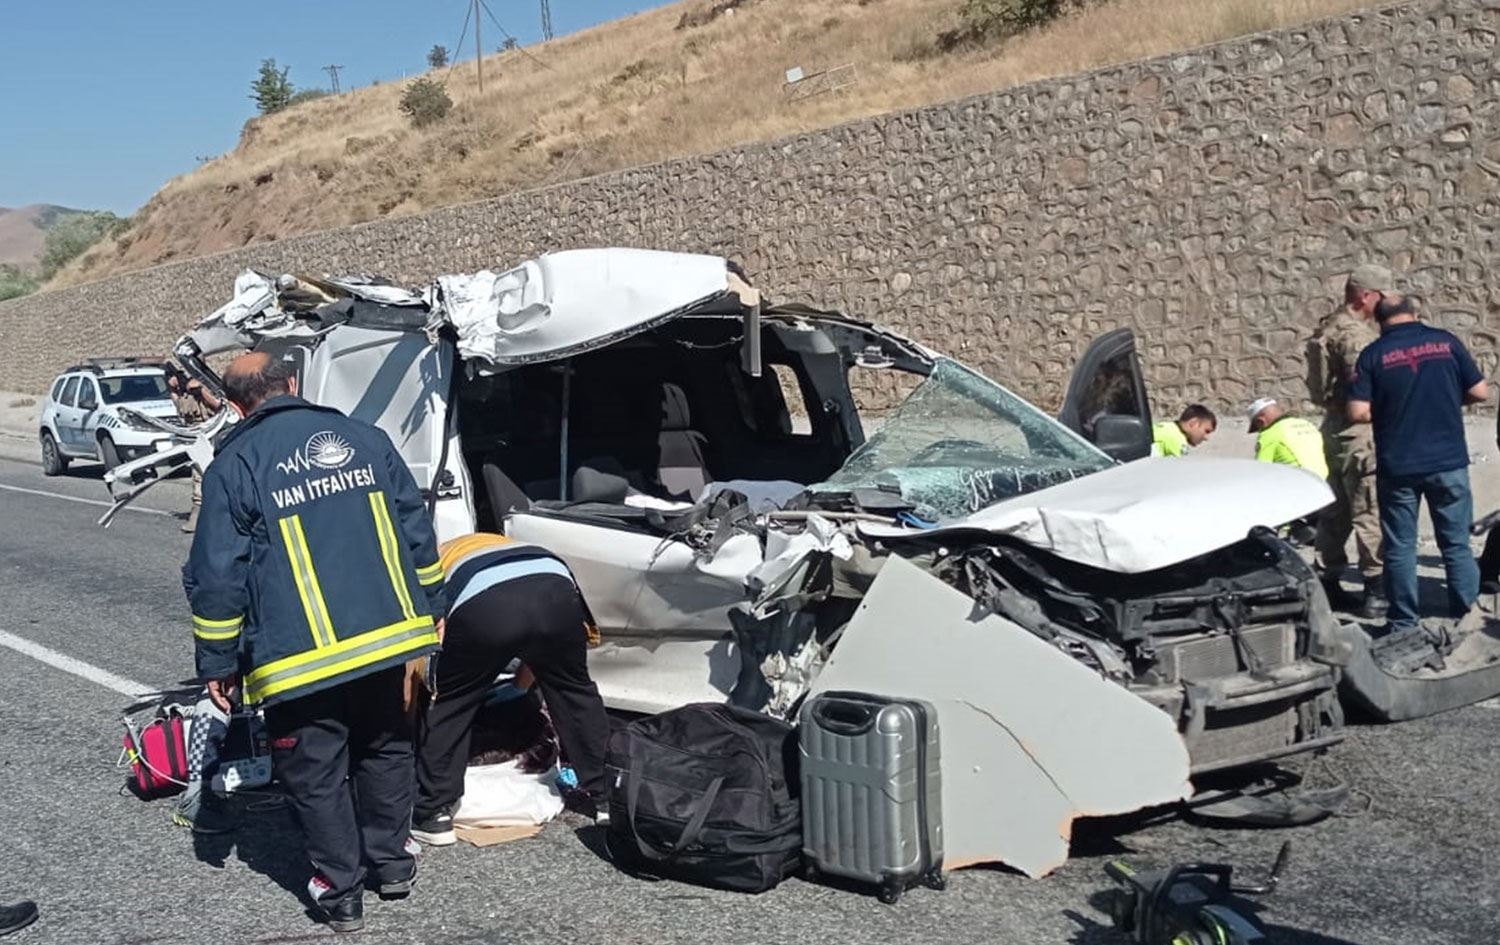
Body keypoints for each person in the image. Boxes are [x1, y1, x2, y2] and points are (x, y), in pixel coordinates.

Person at [184, 352, 445, 933]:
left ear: (234, 405)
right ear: (294, 382)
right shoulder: (367, 440)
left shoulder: (235, 464)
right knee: (386, 749)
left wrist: (219, 662)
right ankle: (392, 863)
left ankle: (340, 890)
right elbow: (416, 529)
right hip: (387, 639)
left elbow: (218, 575)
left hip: (299, 658)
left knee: (316, 771)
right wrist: (434, 607)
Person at [410, 532, 610, 846]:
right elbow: (537, 644)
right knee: (573, 692)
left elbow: (424, 660)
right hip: (555, 587)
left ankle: (433, 813)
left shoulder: (428, 568)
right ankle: (607, 797)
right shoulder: (493, 543)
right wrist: (519, 687)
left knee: (451, 703)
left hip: (485, 602)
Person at [1347, 292, 1489, 630]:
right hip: (1448, 461)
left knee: (1400, 547)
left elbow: (1357, 411)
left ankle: (1403, 622)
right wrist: (1446, 400)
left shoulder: (1372, 355)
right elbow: (1480, 392)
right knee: (1456, 544)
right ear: (1414, 312)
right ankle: (1467, 616)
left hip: (1398, 465)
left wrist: (1391, 410)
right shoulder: (1446, 342)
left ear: (1378, 319)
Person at [1312, 265, 1388, 617]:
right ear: (1365, 296)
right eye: (1381, 296)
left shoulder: (1327, 327)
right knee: (1368, 510)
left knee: (1336, 512)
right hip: (1360, 433)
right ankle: (1375, 590)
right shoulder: (1358, 338)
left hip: (1334, 429)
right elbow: (1365, 390)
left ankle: (1327, 580)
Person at [166, 366, 221, 534]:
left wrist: (201, 389)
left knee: (213, 474)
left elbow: (219, 406)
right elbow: (179, 407)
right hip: (195, 435)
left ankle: (209, 513)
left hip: (213, 433)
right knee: (198, 474)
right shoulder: (184, 393)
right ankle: (199, 513)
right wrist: (173, 389)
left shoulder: (211, 385)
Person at [1246, 398, 1329, 478]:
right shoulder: (1307, 424)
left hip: (1297, 481)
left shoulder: (1269, 434)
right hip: (1321, 481)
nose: (1259, 431)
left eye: (1258, 427)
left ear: (1261, 421)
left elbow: (1262, 470)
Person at [1151, 404, 1218, 457]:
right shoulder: (1177, 440)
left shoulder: (1165, 426)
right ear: (1193, 423)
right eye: (1206, 431)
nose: (1207, 438)